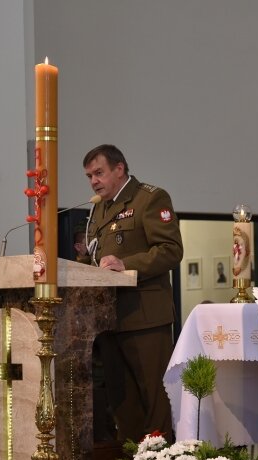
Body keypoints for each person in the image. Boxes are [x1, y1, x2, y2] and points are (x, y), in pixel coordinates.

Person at [81, 144, 183, 443]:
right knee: (122, 402)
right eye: (89, 176)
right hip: (110, 319)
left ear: (119, 168)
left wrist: (127, 265)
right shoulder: (100, 207)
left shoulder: (150, 198)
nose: (93, 181)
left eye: (99, 173)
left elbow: (170, 250)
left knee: (155, 399)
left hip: (144, 316)